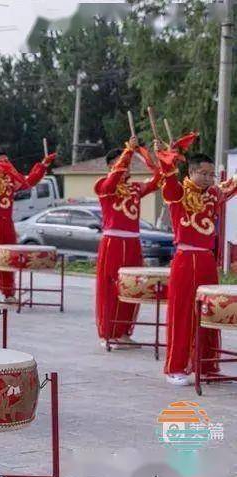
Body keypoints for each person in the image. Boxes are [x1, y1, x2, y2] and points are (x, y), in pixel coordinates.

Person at [158, 146, 237, 385]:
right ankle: (176, 367)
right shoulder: (178, 193)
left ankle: (208, 364)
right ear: (191, 172)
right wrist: (166, 161)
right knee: (182, 313)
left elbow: (231, 186)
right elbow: (169, 181)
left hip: (206, 260)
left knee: (208, 313)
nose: (207, 178)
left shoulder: (214, 193)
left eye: (211, 174)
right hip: (184, 259)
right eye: (202, 173)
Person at [93, 136, 161, 347]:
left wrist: (157, 156)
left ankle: (123, 332)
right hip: (113, 242)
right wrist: (128, 152)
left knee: (131, 286)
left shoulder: (135, 189)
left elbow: (159, 179)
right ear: (111, 167)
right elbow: (113, 180)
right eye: (121, 164)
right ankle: (108, 332)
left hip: (133, 243)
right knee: (111, 287)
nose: (125, 168)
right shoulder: (104, 186)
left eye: (127, 165)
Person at [0, 146, 55, 299]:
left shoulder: (12, 180)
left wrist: (43, 165)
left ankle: (9, 293)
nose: (5, 162)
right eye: (1, 160)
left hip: (7, 223)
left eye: (7, 160)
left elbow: (29, 181)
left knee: (7, 258)